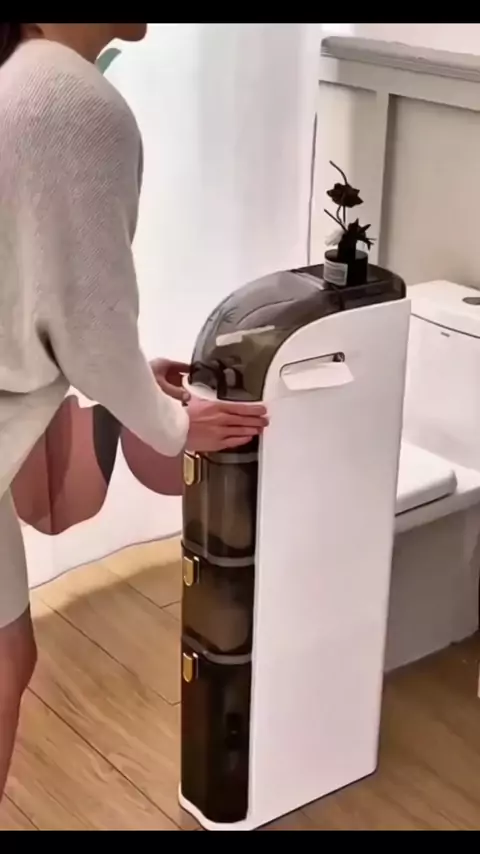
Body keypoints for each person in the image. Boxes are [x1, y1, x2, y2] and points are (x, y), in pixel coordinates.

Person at [0, 23, 269, 798]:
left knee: (10, 656)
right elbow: (92, 322)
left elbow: (36, 300)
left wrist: (134, 389)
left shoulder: (23, 76)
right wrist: (174, 425)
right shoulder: (69, 99)